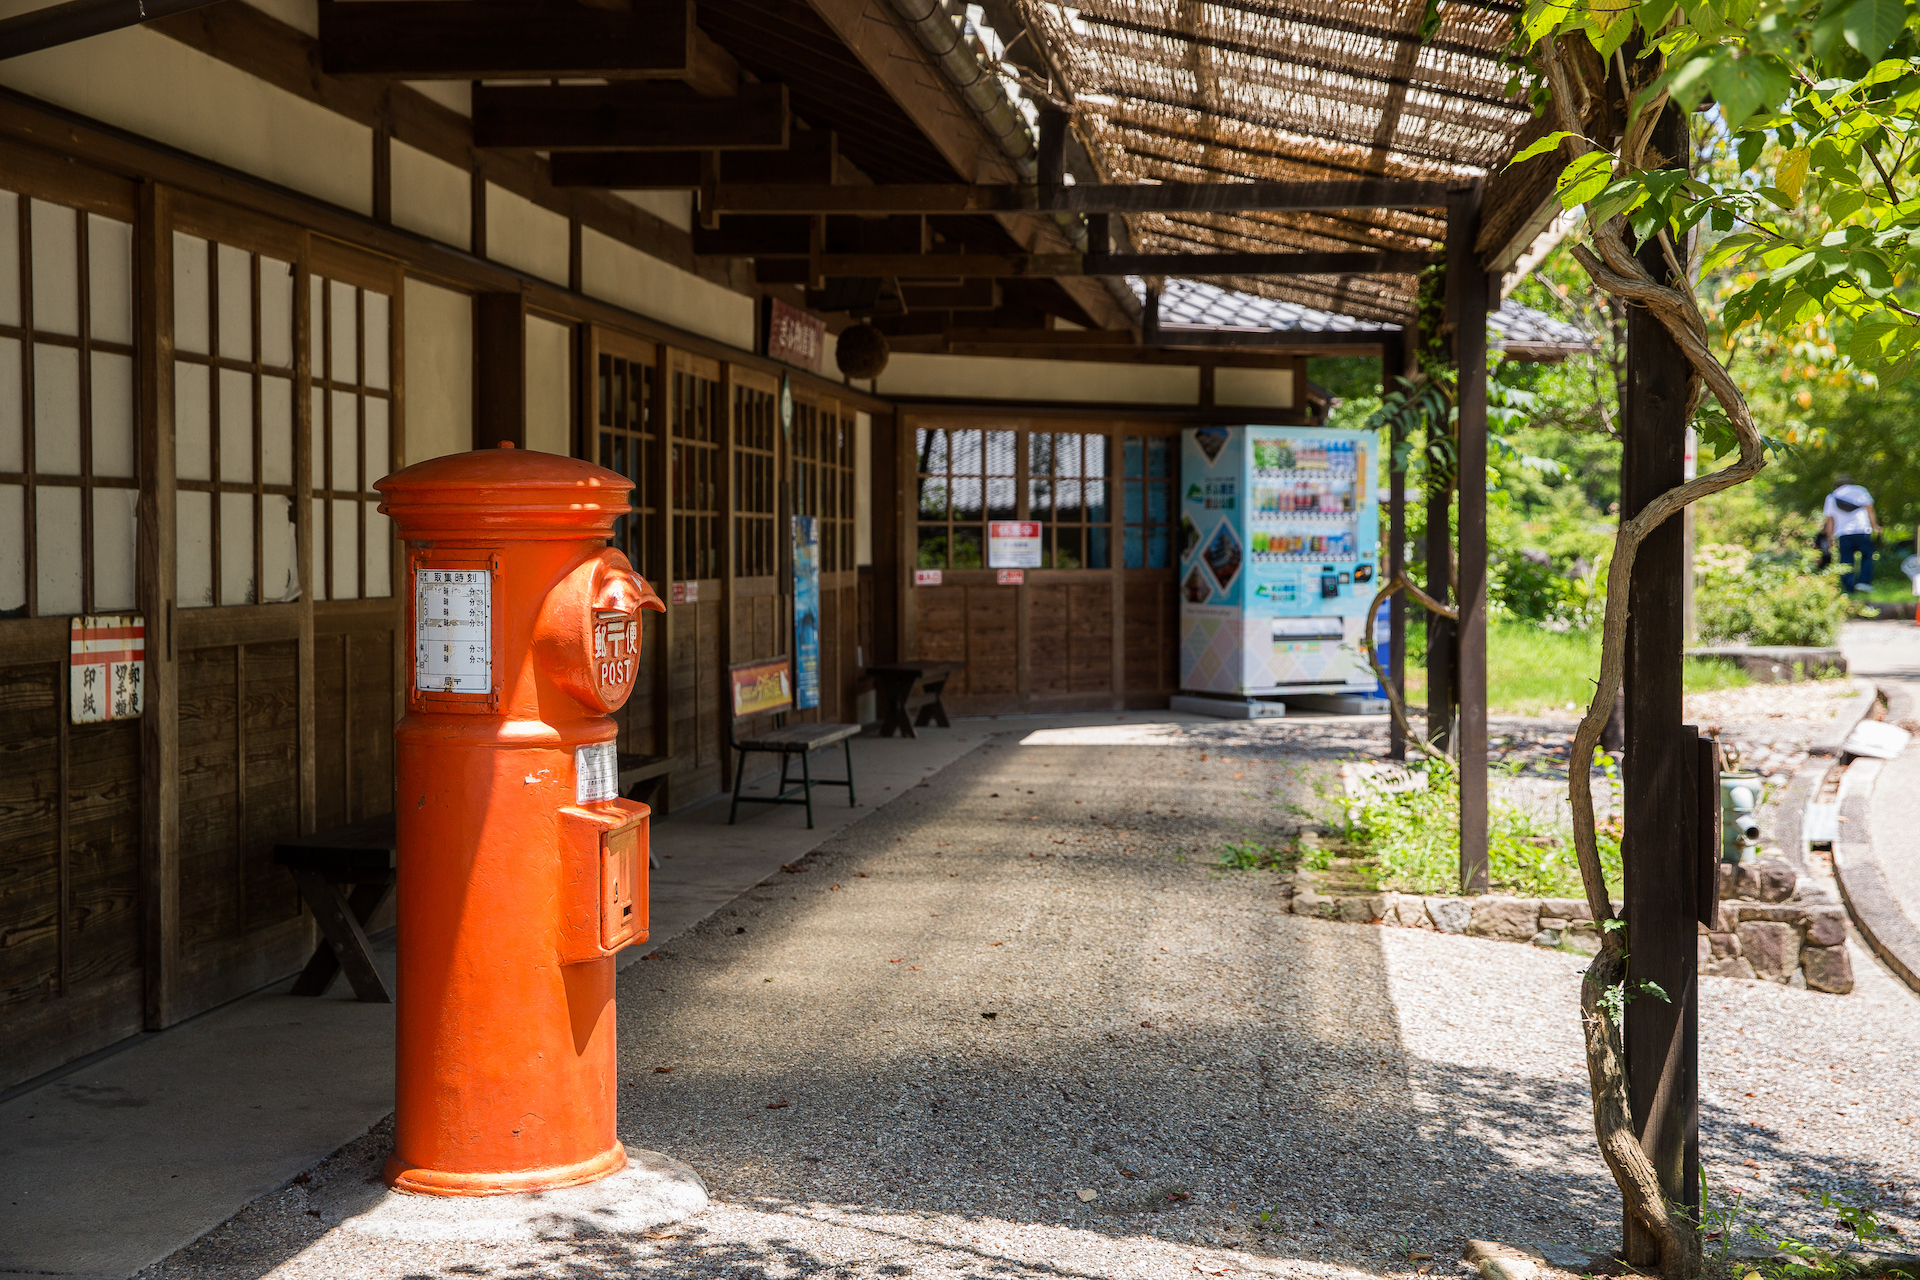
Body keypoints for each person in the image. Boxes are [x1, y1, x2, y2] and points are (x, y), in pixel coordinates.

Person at [1822, 474, 1881, 592]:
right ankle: (1864, 583)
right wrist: (1875, 526)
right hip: (1862, 529)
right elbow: (1870, 509)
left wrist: (1830, 537)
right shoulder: (1860, 490)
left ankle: (1849, 589)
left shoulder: (1832, 496)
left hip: (1843, 532)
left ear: (1837, 484)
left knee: (1846, 561)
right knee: (1867, 556)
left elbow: (1829, 520)